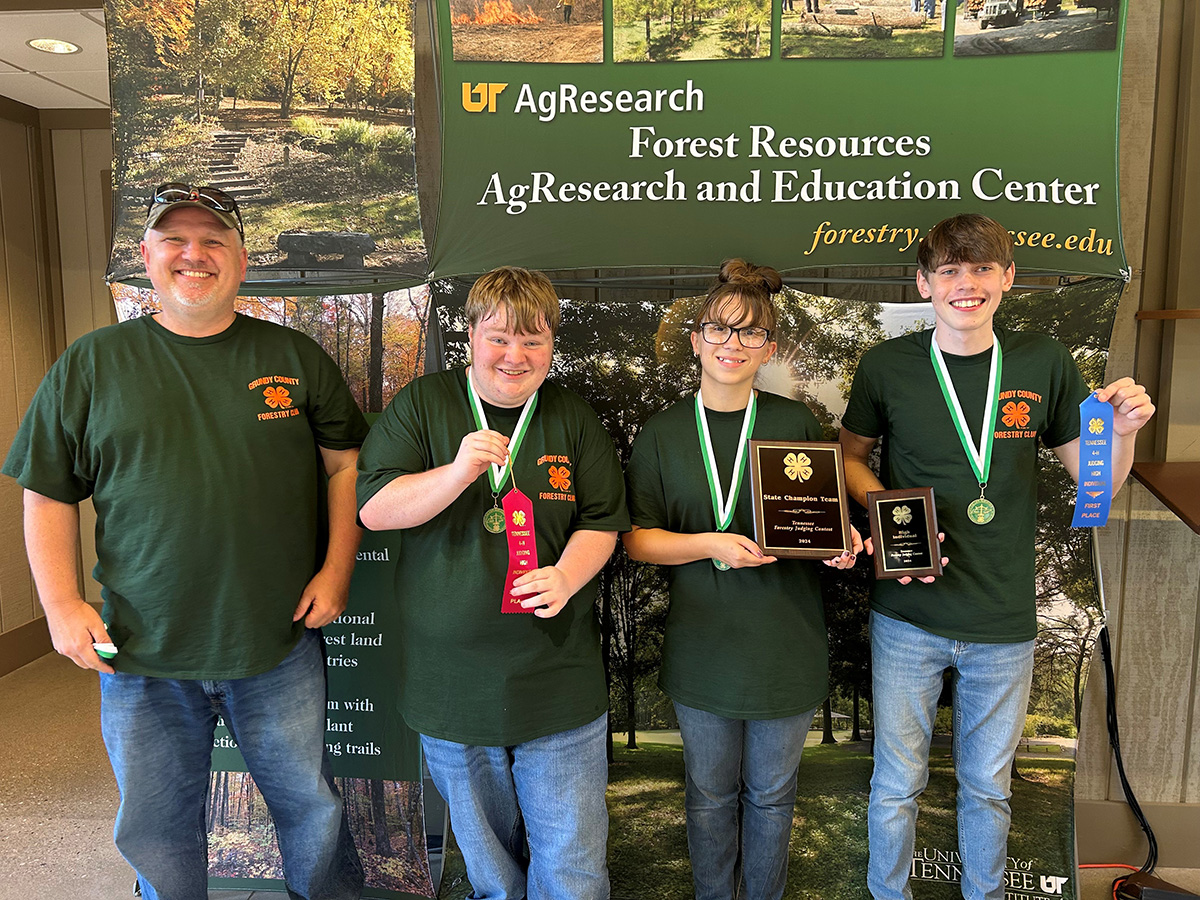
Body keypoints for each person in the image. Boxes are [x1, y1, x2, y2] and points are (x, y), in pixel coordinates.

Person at [2, 183, 368, 900]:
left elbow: (344, 467)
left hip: (278, 641)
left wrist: (336, 569)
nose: (193, 255)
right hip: (141, 650)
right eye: (175, 240)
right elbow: (44, 489)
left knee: (310, 807)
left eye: (213, 241)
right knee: (155, 822)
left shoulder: (295, 358)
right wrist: (59, 602)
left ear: (242, 259)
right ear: (146, 257)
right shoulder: (91, 364)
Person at [838, 214, 1154, 900]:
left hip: (1004, 623)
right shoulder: (886, 365)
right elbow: (849, 460)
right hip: (908, 616)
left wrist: (1121, 433)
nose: (965, 284)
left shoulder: (1044, 360)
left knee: (988, 789)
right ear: (924, 283)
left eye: (981, 268)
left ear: (1008, 278)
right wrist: (890, 514)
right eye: (948, 270)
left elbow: (1094, 482)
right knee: (896, 787)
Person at [356, 266, 628, 900]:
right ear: (469, 333)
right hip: (451, 684)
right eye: (499, 336)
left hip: (555, 678)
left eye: (533, 339)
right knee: (491, 875)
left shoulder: (573, 417)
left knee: (575, 869)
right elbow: (375, 509)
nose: (516, 355)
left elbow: (604, 522)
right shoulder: (423, 404)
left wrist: (566, 574)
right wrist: (456, 473)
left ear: (552, 345)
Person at [623, 260, 862, 900]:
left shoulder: (795, 424)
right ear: (696, 340)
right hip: (704, 649)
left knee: (774, 797)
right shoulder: (662, 434)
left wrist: (837, 547)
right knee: (707, 796)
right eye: (719, 331)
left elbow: (815, 526)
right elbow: (637, 540)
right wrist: (712, 543)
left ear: (770, 348)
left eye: (750, 334)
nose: (733, 345)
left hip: (786, 645)